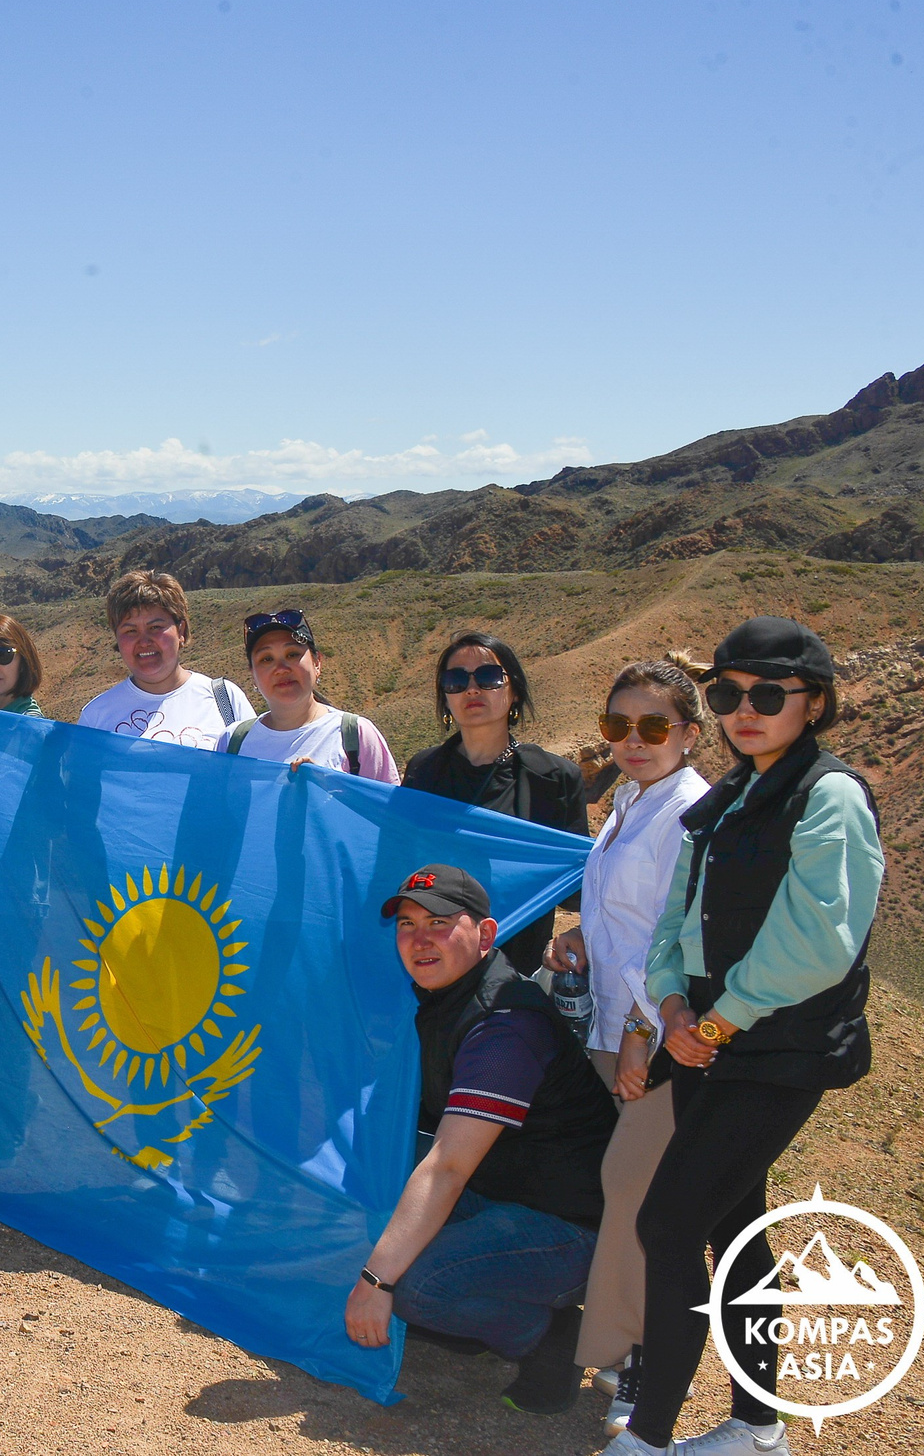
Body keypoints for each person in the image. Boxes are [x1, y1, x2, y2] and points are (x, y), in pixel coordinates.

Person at [607, 618, 882, 1456]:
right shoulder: (733, 793)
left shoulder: (828, 794)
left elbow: (820, 940)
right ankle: (758, 1428)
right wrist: (672, 1006)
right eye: (728, 695)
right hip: (709, 1047)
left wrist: (716, 1020)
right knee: (734, 1230)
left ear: (817, 704)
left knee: (668, 1222)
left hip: (776, 1052)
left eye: (768, 695)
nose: (744, 711)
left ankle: (649, 1437)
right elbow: (676, 923)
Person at [345, 865, 618, 1415]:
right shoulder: (445, 995)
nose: (420, 939)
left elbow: (447, 1166)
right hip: (505, 1187)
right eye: (406, 925)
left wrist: (376, 1280)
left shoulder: (504, 1025)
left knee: (416, 1286)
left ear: (486, 935)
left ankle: (547, 1335)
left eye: (440, 923)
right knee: (372, 1170)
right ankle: (473, 1294)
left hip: (570, 1225)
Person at [547, 661, 712, 1428]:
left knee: (638, 1192)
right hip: (612, 1030)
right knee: (624, 1187)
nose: (633, 742)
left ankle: (644, 1359)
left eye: (653, 727)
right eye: (618, 727)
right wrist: (582, 936)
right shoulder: (626, 802)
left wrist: (647, 1030)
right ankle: (620, 1352)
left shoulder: (691, 812)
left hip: (658, 1035)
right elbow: (627, 915)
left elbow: (685, 935)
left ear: (689, 732)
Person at [402, 632, 590, 974]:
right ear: (445, 698)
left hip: (516, 971)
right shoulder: (423, 772)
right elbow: (395, 860)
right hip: (434, 969)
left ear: (513, 690)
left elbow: (574, 891)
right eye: (456, 680)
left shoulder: (554, 778)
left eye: (488, 677)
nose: (472, 689)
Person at [74, 569, 257, 746]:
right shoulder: (96, 716)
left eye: (155, 627)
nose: (144, 641)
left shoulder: (225, 700)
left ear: (181, 631)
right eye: (130, 631)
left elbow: (258, 770)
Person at [221, 610, 398, 782]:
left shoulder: (356, 735)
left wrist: (327, 789)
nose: (281, 669)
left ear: (317, 663)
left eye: (292, 654)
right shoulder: (232, 742)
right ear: (253, 675)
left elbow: (388, 810)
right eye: (266, 659)